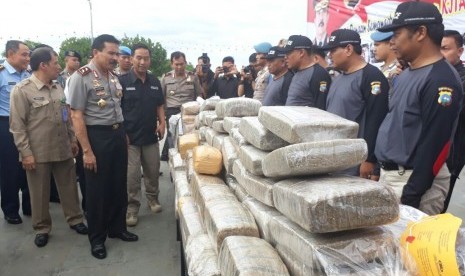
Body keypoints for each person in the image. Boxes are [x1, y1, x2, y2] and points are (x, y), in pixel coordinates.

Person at [375, 2, 463, 215]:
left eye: (397, 34)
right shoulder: (406, 73)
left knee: (410, 248)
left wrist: (412, 194)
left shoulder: (441, 80)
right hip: (391, 176)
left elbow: (436, 145)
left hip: (414, 183)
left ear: (421, 32)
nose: (392, 42)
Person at [68, 34, 138, 259]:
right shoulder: (82, 77)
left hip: (117, 134)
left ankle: (118, 228)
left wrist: (123, 134)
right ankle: (97, 239)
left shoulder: (114, 77)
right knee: (98, 190)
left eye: (117, 53)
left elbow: (116, 107)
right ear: (95, 52)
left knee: (119, 184)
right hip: (96, 137)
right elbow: (76, 115)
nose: (116, 57)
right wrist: (87, 150)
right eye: (111, 53)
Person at [9, 47, 88, 248]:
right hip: (38, 151)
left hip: (62, 147)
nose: (59, 66)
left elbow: (66, 116)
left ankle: (75, 220)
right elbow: (17, 127)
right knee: (39, 192)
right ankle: (42, 228)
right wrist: (25, 154)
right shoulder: (22, 90)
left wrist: (72, 139)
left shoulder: (57, 87)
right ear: (43, 65)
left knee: (69, 187)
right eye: (55, 63)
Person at [323, 29, 389, 179]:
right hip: (333, 159)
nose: (329, 55)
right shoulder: (338, 78)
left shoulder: (371, 76)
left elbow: (377, 120)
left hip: (356, 165)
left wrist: (369, 160)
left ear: (348, 49)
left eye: (333, 50)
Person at [119, 43, 165, 226]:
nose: (142, 62)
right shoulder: (122, 81)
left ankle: (153, 199)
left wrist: (162, 122)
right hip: (130, 138)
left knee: (153, 171)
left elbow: (159, 104)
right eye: (138, 57)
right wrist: (122, 132)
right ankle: (132, 208)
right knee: (132, 176)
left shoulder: (154, 82)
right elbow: (116, 110)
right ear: (131, 59)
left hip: (150, 136)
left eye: (146, 58)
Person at [0, 40, 31, 224]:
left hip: (28, 125)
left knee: (29, 166)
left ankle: (29, 205)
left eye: (28, 55)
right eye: (24, 54)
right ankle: (11, 209)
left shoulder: (27, 74)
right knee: (9, 169)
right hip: (6, 125)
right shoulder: (2, 73)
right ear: (11, 54)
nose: (28, 58)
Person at [160, 51, 202, 161]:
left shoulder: (193, 77)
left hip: (189, 111)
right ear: (171, 64)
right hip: (172, 111)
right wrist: (162, 115)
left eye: (181, 64)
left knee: (188, 135)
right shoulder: (166, 78)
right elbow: (161, 97)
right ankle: (171, 157)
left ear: (186, 63)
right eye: (176, 64)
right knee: (172, 135)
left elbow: (198, 95)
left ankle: (187, 156)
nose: (179, 67)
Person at [441, 30, 465, 212]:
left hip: (455, 154)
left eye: (445, 48)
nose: (440, 53)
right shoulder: (435, 76)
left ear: (460, 51)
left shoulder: (460, 80)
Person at [283, 34, 331, 109]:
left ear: (301, 53)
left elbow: (321, 107)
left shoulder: (319, 74)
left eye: (288, 53)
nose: (285, 57)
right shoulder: (296, 72)